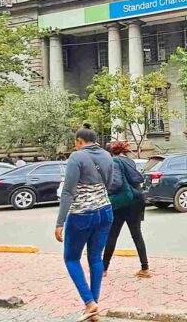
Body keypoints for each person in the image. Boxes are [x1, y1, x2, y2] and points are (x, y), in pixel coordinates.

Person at [55, 124, 114, 322]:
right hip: (105, 211)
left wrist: (60, 221)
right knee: (95, 258)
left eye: (76, 143)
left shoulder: (77, 157)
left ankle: (89, 302)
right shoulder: (107, 156)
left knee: (71, 258)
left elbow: (68, 192)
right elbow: (110, 183)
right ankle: (93, 307)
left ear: (79, 141)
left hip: (82, 214)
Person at [102, 141, 151, 278]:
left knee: (112, 234)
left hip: (123, 202)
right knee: (137, 234)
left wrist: (106, 191)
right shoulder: (130, 162)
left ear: (109, 153)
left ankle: (103, 269)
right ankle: (145, 268)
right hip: (137, 200)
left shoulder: (114, 162)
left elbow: (116, 183)